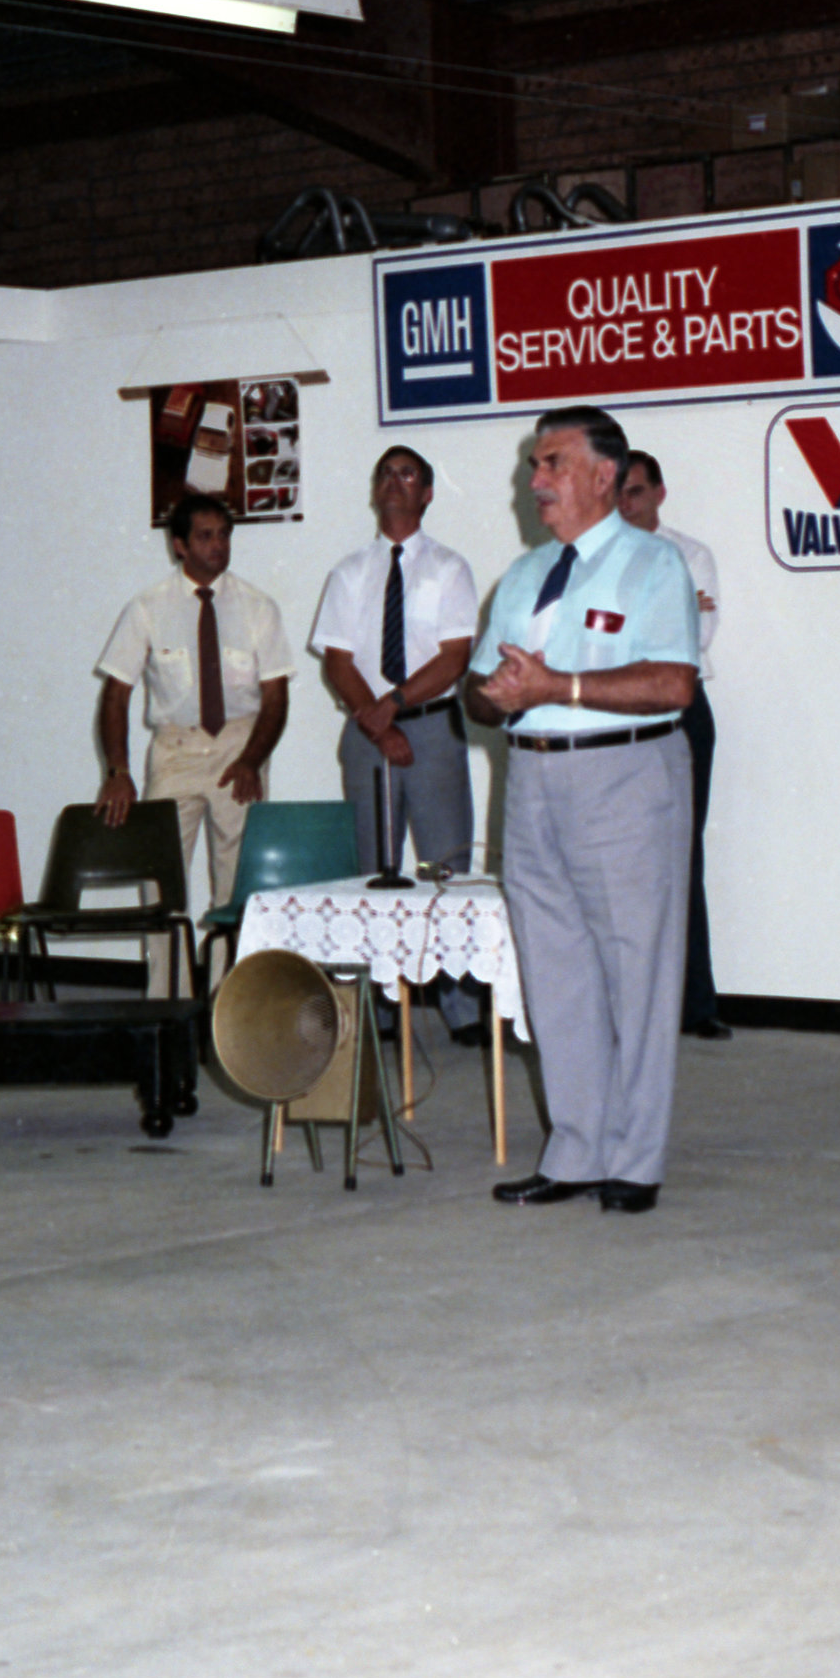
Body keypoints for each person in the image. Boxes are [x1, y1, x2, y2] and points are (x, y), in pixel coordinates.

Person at [465, 407, 701, 1214]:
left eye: (553, 463)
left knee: (638, 972)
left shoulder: (654, 565)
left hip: (624, 776)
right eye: (535, 464)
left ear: (605, 475)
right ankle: (575, 1150)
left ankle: (634, 1159)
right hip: (531, 777)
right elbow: (479, 692)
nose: (535, 480)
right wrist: (496, 696)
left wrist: (555, 686)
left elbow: (672, 683)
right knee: (554, 972)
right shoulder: (524, 576)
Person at [309, 445, 482, 1040]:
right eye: (385, 472)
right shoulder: (349, 572)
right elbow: (337, 660)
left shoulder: (450, 568)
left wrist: (395, 706)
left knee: (445, 867)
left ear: (427, 493)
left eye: (406, 473)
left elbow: (454, 657)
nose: (393, 481)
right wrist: (378, 722)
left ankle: (460, 1007)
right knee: (373, 871)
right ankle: (380, 1006)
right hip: (367, 732)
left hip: (432, 728)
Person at [94, 491, 292, 992]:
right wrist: (117, 772)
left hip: (240, 747)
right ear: (179, 545)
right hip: (175, 752)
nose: (217, 546)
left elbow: (276, 697)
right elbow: (116, 696)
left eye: (224, 535)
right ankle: (168, 1002)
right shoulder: (147, 608)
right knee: (160, 884)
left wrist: (252, 760)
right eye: (205, 537)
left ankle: (228, 1002)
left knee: (237, 885)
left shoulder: (257, 607)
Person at [617, 449, 729, 1040]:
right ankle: (629, 1004)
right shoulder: (596, 556)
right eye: (618, 491)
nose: (626, 503)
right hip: (615, 711)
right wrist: (670, 610)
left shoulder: (692, 555)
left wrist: (637, 624)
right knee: (618, 856)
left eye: (636, 491)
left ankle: (694, 1004)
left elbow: (695, 636)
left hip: (681, 710)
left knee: (682, 853)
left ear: (659, 494)